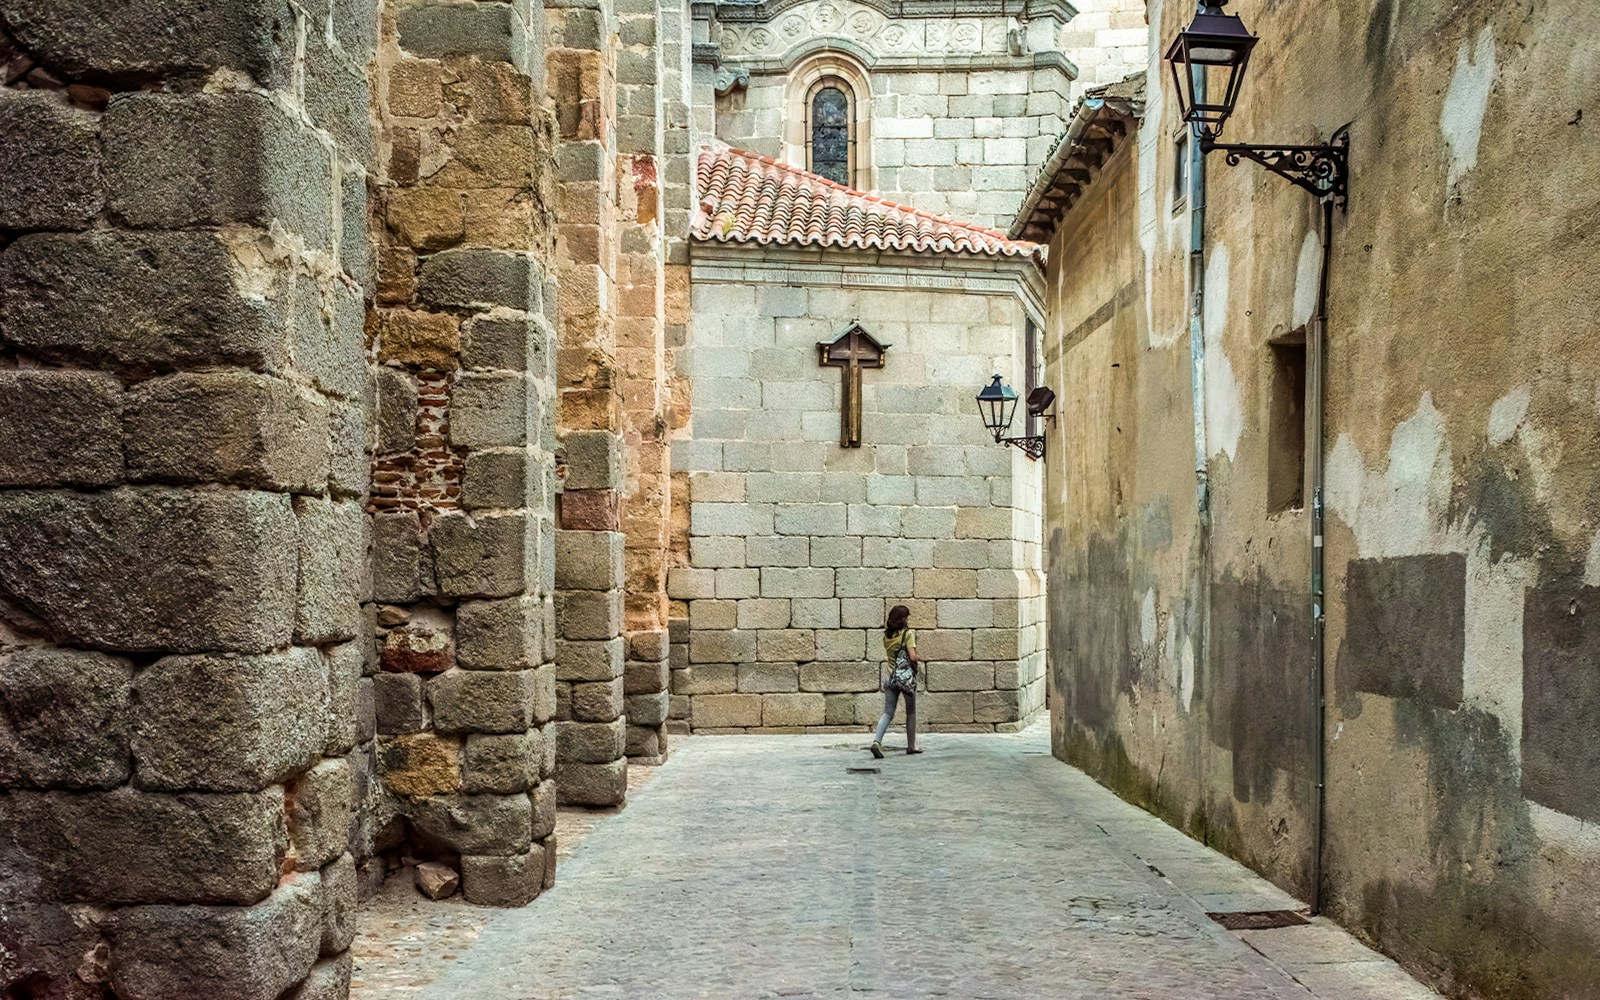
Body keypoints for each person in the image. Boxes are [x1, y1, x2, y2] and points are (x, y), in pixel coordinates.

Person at [870, 604, 923, 758]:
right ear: (902, 619)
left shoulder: (886, 636)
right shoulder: (908, 634)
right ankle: (911, 746)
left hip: (890, 677)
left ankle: (876, 742)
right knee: (911, 711)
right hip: (905, 678)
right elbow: (912, 657)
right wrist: (916, 663)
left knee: (888, 712)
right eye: (906, 617)